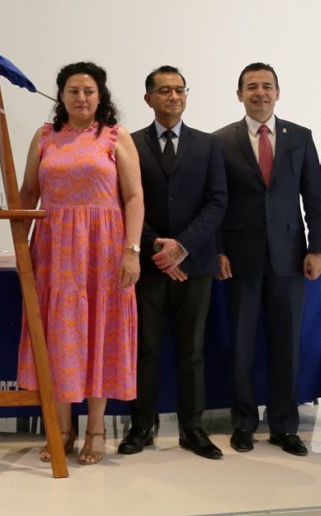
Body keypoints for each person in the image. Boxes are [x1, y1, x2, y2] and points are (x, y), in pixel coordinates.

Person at [16, 62, 144, 465]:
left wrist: (132, 250)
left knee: (100, 333)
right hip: (54, 251)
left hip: (103, 251)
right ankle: (62, 428)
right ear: (62, 96)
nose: (81, 98)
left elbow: (134, 197)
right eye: (73, 90)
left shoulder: (116, 136)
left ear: (100, 96)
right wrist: (19, 244)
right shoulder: (45, 136)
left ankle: (96, 429)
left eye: (88, 91)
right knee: (60, 334)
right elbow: (28, 192)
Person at [213, 63, 321, 457]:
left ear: (278, 92)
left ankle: (284, 426)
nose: (259, 92)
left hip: (290, 259)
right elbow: (215, 202)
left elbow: (315, 198)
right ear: (239, 94)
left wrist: (318, 248)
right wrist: (218, 250)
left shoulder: (300, 137)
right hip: (239, 259)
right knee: (241, 346)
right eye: (251, 86)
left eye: (266, 86)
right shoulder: (220, 141)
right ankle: (244, 423)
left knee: (286, 345)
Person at [118, 65, 227, 460]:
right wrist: (158, 250)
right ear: (148, 98)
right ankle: (141, 426)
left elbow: (217, 201)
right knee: (145, 348)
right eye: (164, 90)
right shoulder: (130, 144)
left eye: (180, 90)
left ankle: (192, 429)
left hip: (194, 265)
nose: (174, 96)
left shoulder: (208, 144)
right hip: (147, 265)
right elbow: (124, 200)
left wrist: (182, 247)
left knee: (191, 350)